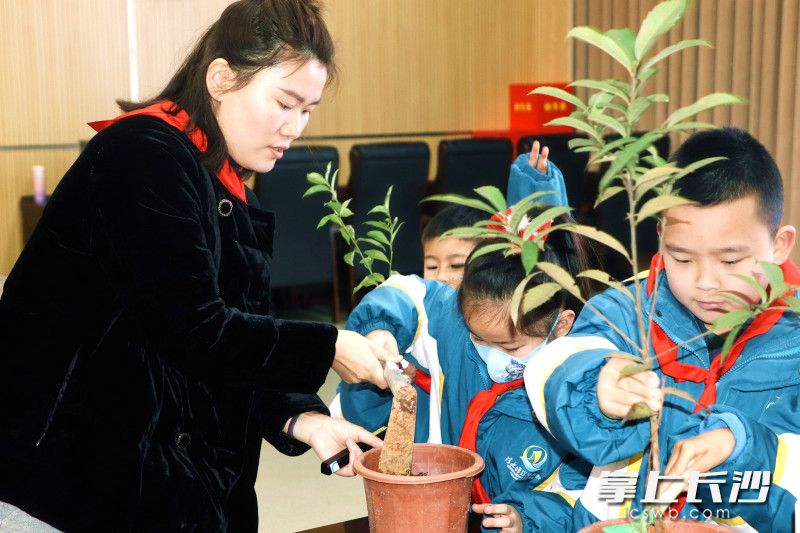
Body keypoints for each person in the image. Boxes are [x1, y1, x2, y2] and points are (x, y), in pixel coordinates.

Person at [0, 1, 401, 531]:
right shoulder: (142, 154)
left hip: (147, 475)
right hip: (65, 483)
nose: (295, 128)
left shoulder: (220, 183)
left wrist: (303, 419)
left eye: (307, 110)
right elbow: (192, 328)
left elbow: (230, 341)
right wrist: (330, 345)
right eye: (284, 103)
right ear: (221, 78)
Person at [524, 128, 800, 530]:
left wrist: (740, 445)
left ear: (779, 246)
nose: (706, 282)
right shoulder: (625, 312)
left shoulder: (793, 338)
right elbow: (551, 367)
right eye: (682, 258)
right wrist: (595, 385)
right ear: (661, 236)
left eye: (730, 261)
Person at [341, 208, 597, 532]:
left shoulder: (579, 396)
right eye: (479, 339)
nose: (492, 356)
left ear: (560, 326)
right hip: (440, 509)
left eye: (510, 347)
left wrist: (525, 517)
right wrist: (380, 330)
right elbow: (407, 293)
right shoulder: (454, 331)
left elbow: (583, 494)